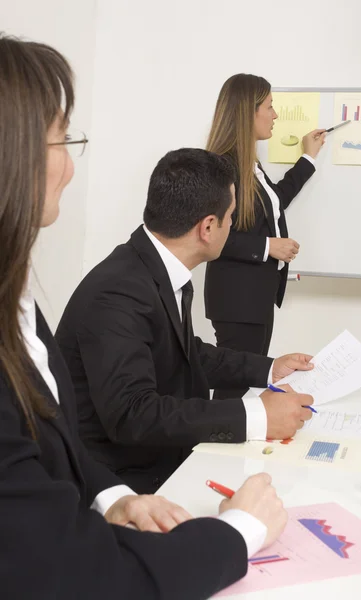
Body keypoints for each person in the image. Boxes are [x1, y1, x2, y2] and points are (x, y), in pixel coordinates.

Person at [0, 34, 289, 600]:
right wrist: (241, 531)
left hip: (113, 493)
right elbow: (69, 567)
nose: (70, 166)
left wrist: (113, 499)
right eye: (64, 139)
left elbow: (189, 356)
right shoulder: (119, 290)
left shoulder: (27, 305)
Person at [56, 147, 314, 495]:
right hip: (123, 486)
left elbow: (186, 353)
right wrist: (256, 416)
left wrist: (269, 370)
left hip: (159, 460)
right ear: (208, 227)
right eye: (231, 217)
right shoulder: (118, 293)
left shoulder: (153, 267)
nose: (233, 226)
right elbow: (134, 415)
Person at [204, 73, 326, 399]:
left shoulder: (249, 165)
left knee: (245, 386)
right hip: (237, 302)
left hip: (255, 298)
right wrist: (268, 246)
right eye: (270, 107)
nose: (275, 115)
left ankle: (236, 442)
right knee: (235, 389)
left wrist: (308, 158)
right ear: (248, 111)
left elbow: (275, 202)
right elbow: (208, 233)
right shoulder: (222, 166)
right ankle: (218, 443)